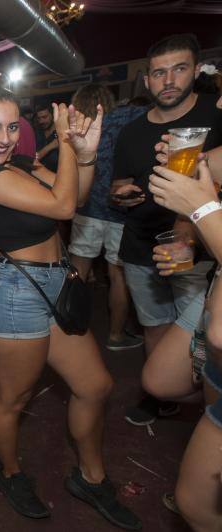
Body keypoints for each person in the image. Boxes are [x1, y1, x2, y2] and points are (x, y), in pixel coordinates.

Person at [0, 79, 141, 530]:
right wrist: (64, 140)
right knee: (12, 399)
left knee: (95, 385)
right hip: (17, 295)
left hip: (55, 283)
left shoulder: (20, 161)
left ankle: (90, 477)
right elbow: (63, 208)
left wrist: (83, 154)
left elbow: (75, 197)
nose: (3, 137)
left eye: (10, 126)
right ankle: (10, 473)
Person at [111, 33, 222, 427]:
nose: (169, 80)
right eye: (159, 73)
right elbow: (117, 182)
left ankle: (210, 405)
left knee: (204, 338)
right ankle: (164, 397)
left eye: (178, 69)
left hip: (205, 252)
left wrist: (190, 233)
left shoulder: (216, 116)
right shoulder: (131, 131)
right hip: (143, 244)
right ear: (147, 80)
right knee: (155, 326)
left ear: (195, 70)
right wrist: (120, 193)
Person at [148, 157, 222, 531]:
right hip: (214, 289)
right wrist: (193, 238)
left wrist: (203, 210)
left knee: (196, 502)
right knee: (160, 380)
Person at [68, 84, 146, 351]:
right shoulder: (124, 120)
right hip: (119, 209)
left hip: (86, 208)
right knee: (118, 277)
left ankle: (71, 331)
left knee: (77, 274)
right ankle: (115, 335)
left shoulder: (77, 128)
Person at [33, 102, 59, 172]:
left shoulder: (61, 133)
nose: (41, 121)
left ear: (52, 115)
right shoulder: (36, 133)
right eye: (39, 118)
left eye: (44, 117)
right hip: (38, 177)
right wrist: (50, 146)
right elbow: (31, 159)